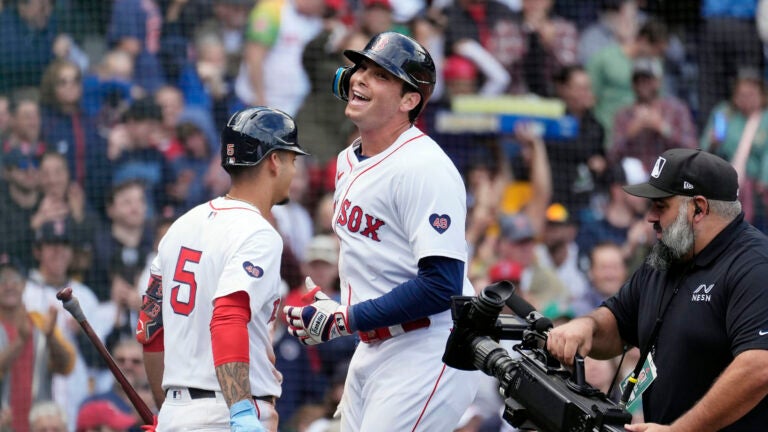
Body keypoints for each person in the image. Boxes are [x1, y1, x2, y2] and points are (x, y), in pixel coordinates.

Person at [283, 32, 480, 431]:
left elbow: (443, 285)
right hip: (373, 346)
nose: (359, 79)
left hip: (431, 345)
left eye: (380, 75)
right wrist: (335, 307)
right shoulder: (346, 159)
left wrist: (344, 317)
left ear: (409, 101)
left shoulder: (425, 168)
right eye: (361, 68)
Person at [547, 148, 768, 430]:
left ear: (698, 208)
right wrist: (586, 327)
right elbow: (618, 322)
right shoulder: (666, 256)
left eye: (660, 206)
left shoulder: (755, 266)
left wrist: (681, 430)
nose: (650, 217)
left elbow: (760, 366)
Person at [136, 106, 308, 432]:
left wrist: (169, 412)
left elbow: (150, 330)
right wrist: (241, 411)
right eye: (292, 159)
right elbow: (228, 316)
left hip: (177, 414)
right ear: (274, 161)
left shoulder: (181, 225)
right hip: (227, 413)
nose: (294, 170)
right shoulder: (259, 233)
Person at [0, 253, 75, 432]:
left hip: (40, 425)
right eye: (2, 279)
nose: (9, 285)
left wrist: (50, 338)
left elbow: (66, 366)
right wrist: (20, 342)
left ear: (24, 284)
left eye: (15, 278)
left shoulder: (40, 322)